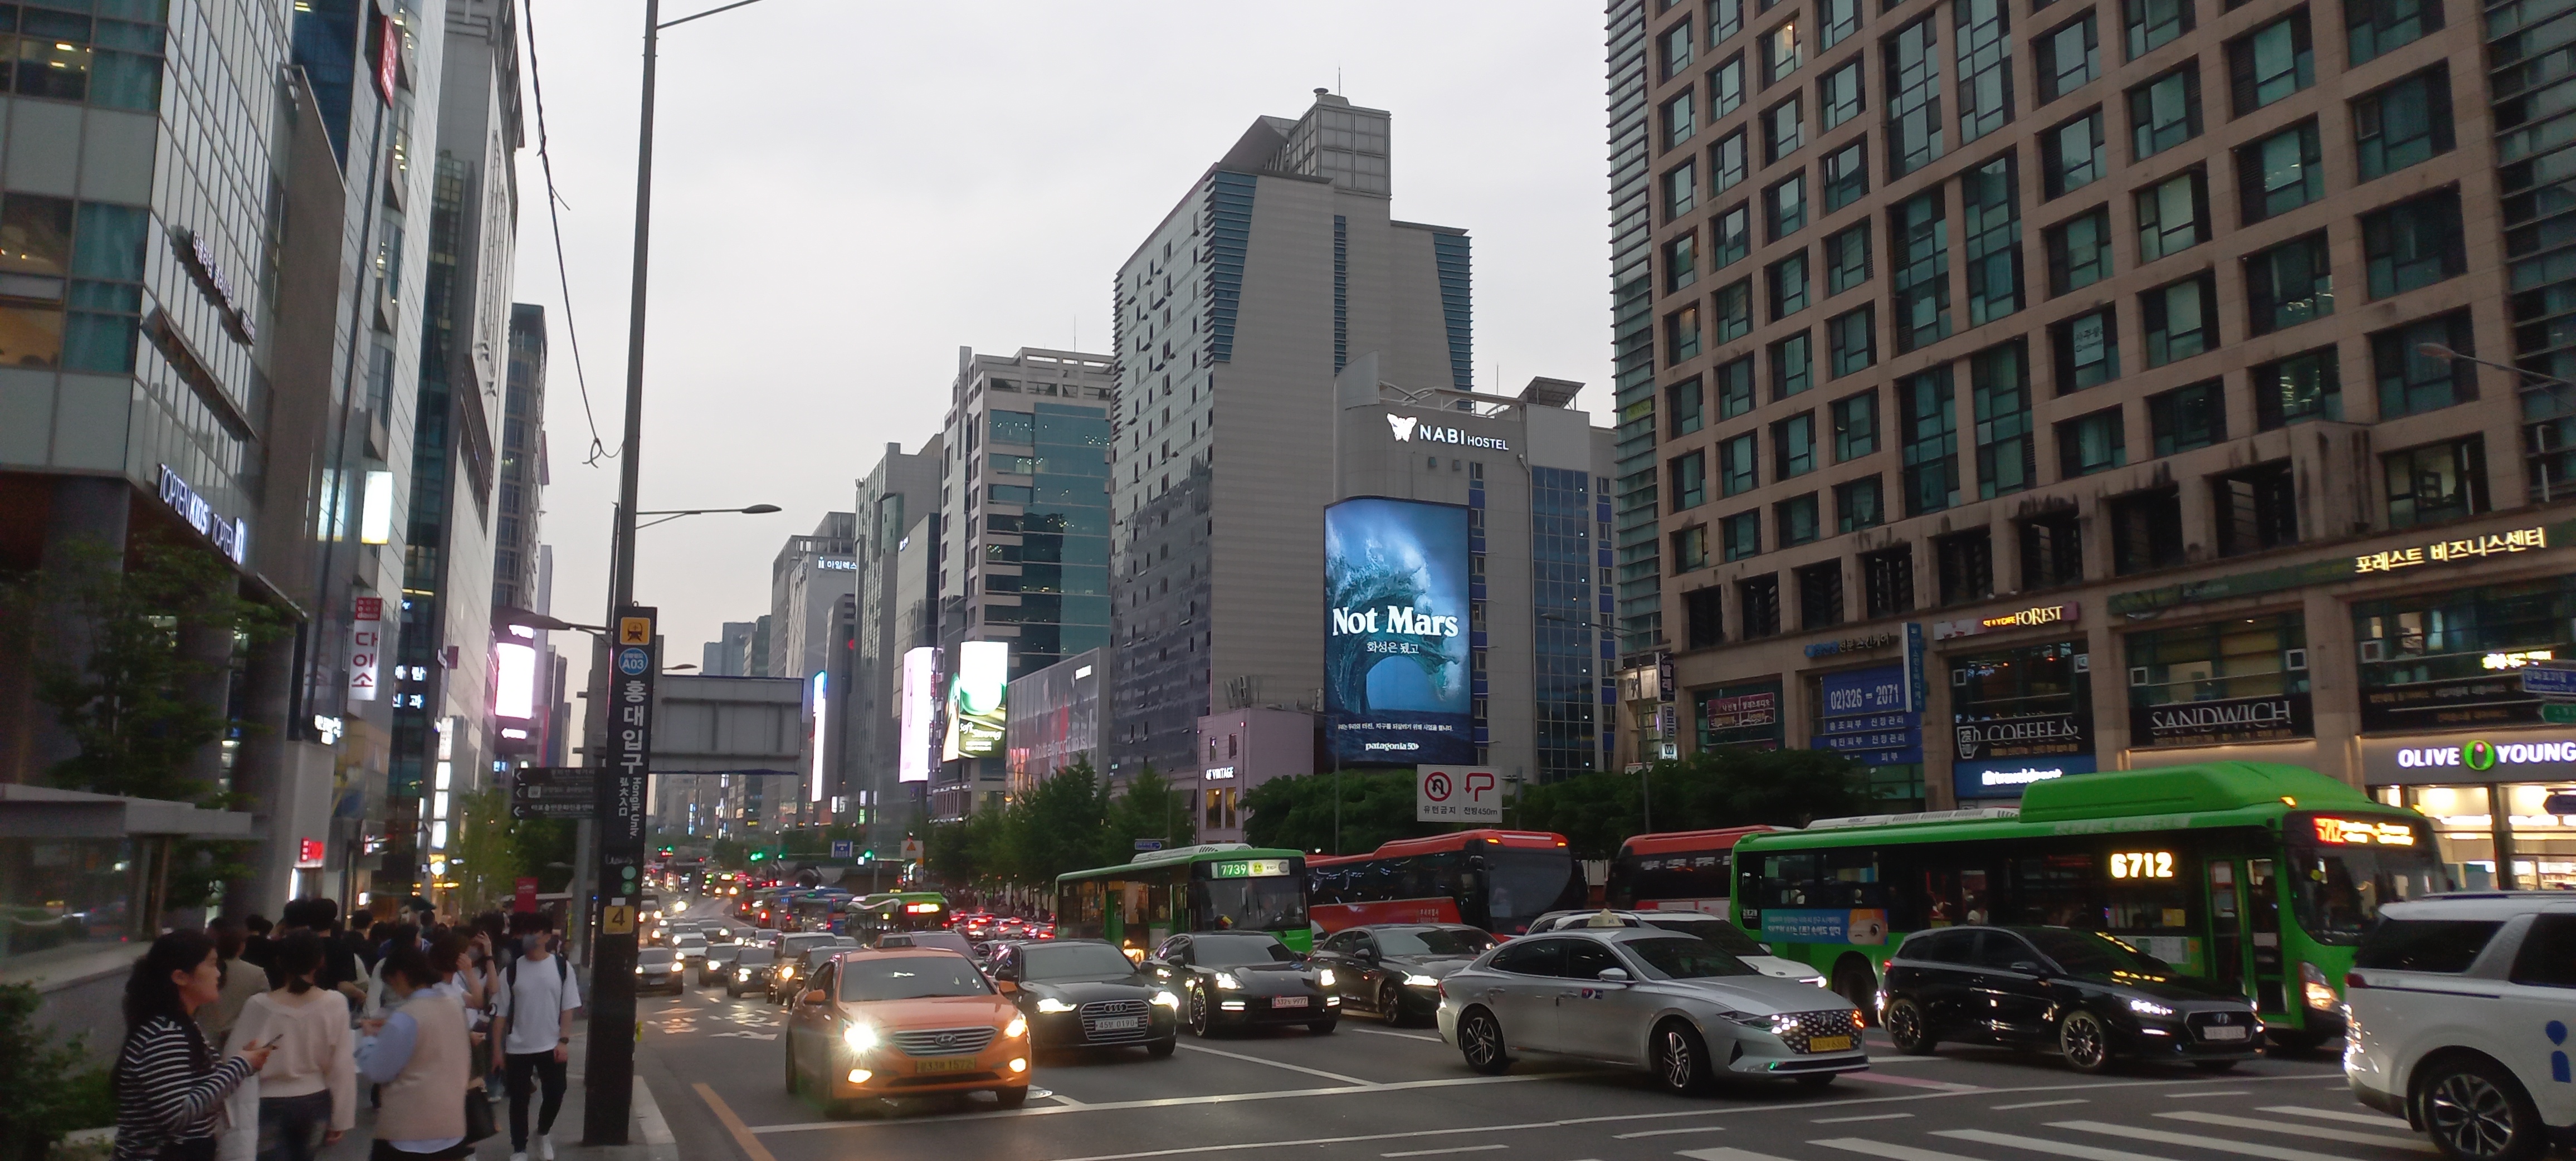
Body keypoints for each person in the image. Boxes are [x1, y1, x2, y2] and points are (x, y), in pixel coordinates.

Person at [114, 930, 275, 1161]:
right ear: (180, 977)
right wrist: (240, 1065)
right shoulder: (166, 1034)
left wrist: (243, 1064)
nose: (218, 973)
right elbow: (179, 1114)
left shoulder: (180, 1024)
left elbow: (195, 1090)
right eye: (211, 964)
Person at [227, 931, 357, 1161]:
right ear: (321, 962)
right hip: (316, 1099)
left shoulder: (258, 1005)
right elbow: (341, 1066)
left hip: (267, 1101)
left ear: (280, 962)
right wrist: (341, 1118)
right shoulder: (335, 1003)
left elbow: (233, 1060)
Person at [354, 944, 472, 1161]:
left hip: (408, 1132)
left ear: (400, 976)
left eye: (391, 982)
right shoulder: (453, 1006)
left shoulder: (406, 1017)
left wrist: (369, 1040)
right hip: (451, 1126)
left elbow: (378, 1071)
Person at [491, 914, 578, 1161]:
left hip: (551, 1044)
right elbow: (500, 1014)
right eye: (525, 932)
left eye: (534, 932)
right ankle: (519, 1148)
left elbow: (568, 1007)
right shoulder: (511, 971)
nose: (528, 937)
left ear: (547, 936)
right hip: (518, 1046)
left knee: (556, 1092)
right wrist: (497, 1051)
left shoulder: (562, 968)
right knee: (519, 1100)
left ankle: (543, 1132)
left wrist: (563, 1041)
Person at [198, 919, 271, 1046]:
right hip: (238, 1038)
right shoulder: (256, 973)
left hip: (200, 1036)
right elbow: (264, 1008)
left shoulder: (198, 970)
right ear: (241, 946)